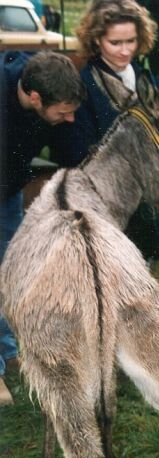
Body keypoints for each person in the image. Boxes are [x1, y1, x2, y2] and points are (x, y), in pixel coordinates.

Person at [0, 50, 85, 406]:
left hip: (8, 191)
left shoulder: (49, 82)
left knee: (12, 271)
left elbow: (72, 152)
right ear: (35, 98)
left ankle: (7, 350)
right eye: (63, 112)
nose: (70, 119)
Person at [54, 0, 159, 259]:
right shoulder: (82, 86)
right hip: (102, 210)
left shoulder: (146, 78)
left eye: (131, 41)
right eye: (115, 43)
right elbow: (73, 154)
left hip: (143, 210)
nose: (125, 51)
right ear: (96, 41)